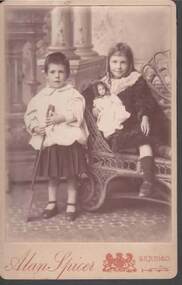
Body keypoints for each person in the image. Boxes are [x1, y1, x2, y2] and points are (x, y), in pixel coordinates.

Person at [84, 42, 170, 198]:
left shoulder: (135, 79)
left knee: (143, 139)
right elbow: (87, 97)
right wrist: (94, 109)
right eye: (114, 62)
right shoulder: (102, 83)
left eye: (123, 62)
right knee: (136, 139)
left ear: (129, 63)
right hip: (118, 127)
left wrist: (144, 115)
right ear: (108, 63)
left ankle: (148, 180)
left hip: (137, 121)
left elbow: (143, 100)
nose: (118, 67)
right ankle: (160, 150)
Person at [24, 52, 89, 221]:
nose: (57, 76)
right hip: (51, 140)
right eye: (53, 72)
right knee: (53, 175)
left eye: (61, 72)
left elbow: (77, 111)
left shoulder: (72, 94)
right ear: (46, 74)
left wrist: (62, 117)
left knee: (71, 174)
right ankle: (51, 203)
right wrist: (35, 127)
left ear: (67, 74)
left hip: (68, 140)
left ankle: (71, 204)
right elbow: (30, 115)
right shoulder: (40, 97)